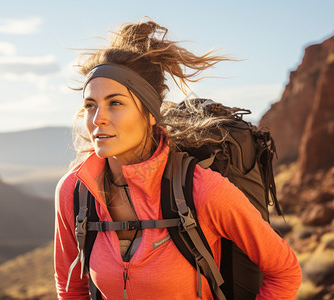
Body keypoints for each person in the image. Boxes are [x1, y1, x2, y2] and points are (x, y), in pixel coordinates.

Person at [54, 20, 302, 299]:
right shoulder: (75, 192)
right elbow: (70, 288)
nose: (97, 118)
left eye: (115, 103)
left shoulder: (202, 190)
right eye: (90, 105)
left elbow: (284, 271)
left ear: (149, 113)